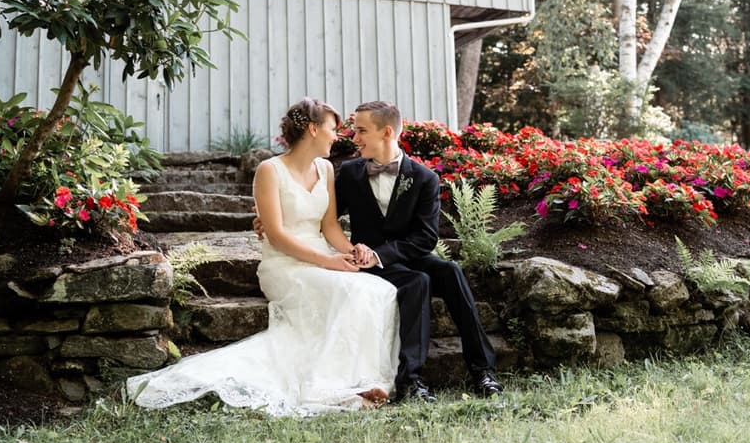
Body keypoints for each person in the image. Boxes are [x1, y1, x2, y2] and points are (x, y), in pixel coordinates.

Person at [126, 98, 399, 416]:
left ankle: (363, 379)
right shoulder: (269, 171)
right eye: (333, 129)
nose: (338, 136)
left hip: (320, 257)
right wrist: (328, 263)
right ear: (313, 129)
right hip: (284, 264)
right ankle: (330, 386)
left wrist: (352, 253)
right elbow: (278, 235)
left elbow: (329, 227)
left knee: (379, 289)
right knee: (347, 290)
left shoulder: (325, 169)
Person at [334, 101, 503, 401]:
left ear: (386, 132)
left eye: (361, 130)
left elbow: (425, 238)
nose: (354, 137)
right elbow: (325, 213)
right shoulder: (349, 173)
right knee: (417, 282)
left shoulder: (425, 178)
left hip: (404, 256)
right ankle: (411, 380)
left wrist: (382, 254)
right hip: (366, 261)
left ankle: (482, 370)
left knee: (450, 271)